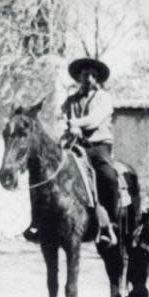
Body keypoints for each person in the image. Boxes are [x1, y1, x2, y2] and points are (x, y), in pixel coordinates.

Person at [23, 56, 118, 248]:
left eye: (92, 74)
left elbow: (94, 119)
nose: (88, 78)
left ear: (97, 78)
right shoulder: (70, 100)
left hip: (97, 146)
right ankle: (38, 221)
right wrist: (65, 126)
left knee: (107, 175)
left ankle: (110, 224)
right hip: (75, 145)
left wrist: (73, 123)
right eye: (85, 74)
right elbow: (61, 117)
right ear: (79, 77)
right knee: (45, 171)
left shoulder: (105, 98)